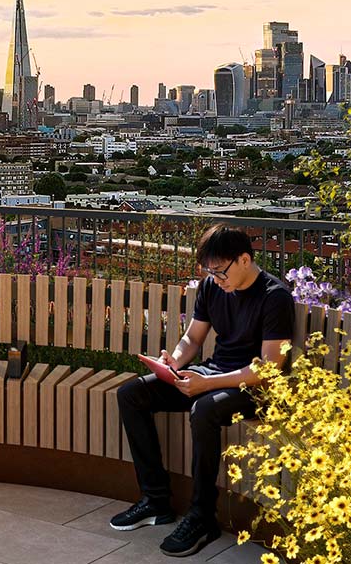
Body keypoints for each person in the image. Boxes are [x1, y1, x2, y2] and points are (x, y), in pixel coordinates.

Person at [107, 224, 293, 557]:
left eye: (221, 272)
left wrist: (206, 383)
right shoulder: (211, 287)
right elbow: (193, 339)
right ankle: (155, 500)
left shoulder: (273, 296)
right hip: (214, 374)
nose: (217, 280)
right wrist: (174, 363)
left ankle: (202, 516)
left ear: (245, 260)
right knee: (131, 394)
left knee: (204, 408)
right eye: (210, 272)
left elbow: (267, 369)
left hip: (255, 388)